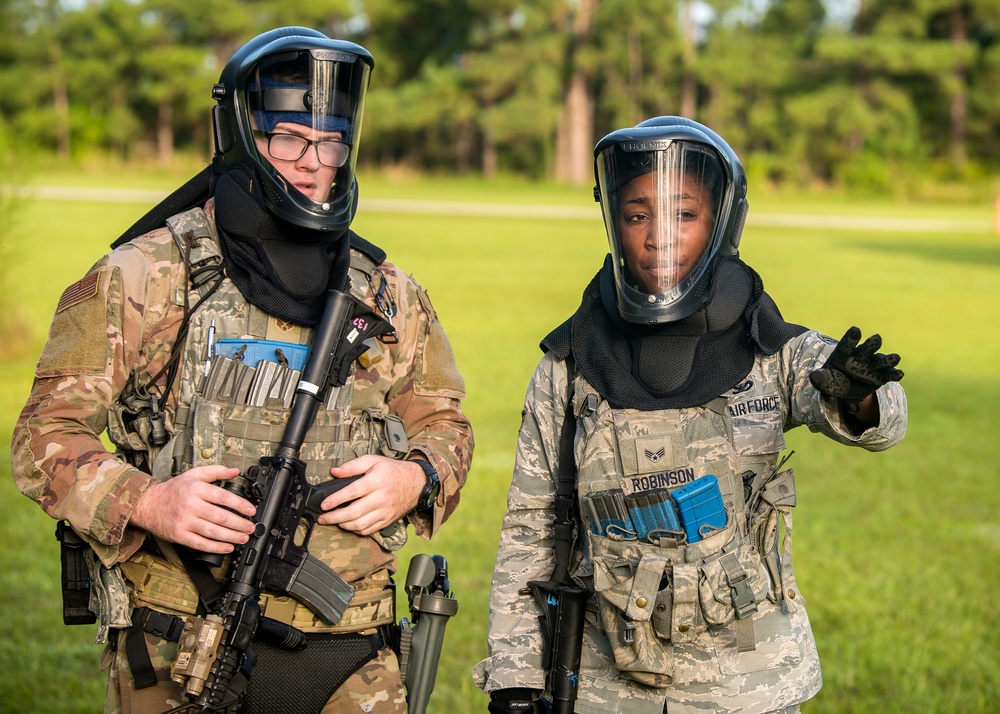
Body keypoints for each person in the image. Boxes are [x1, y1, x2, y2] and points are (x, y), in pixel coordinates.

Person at [11, 26, 473, 714]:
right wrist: (146, 501)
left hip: (354, 652)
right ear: (240, 134)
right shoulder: (142, 276)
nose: (316, 162)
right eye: (290, 138)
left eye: (333, 140)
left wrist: (417, 476)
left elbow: (446, 425)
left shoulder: (387, 292)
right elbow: (42, 439)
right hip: (182, 646)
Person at [473, 116, 906, 714]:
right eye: (636, 214)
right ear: (615, 225)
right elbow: (530, 526)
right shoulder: (570, 366)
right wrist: (516, 678)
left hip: (750, 687)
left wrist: (861, 395)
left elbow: (877, 422)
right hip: (603, 683)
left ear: (722, 222)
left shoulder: (772, 350)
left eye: (684, 214)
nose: (658, 237)